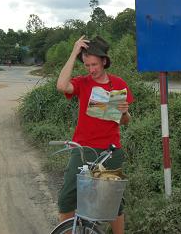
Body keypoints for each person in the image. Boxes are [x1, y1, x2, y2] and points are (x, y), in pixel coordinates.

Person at [56, 35, 133, 234]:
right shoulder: (82, 83)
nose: (91, 69)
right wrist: (74, 52)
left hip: (110, 151)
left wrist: (124, 112)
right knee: (67, 199)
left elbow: (125, 121)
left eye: (95, 64)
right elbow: (62, 86)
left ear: (104, 61)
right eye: (87, 64)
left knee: (113, 201)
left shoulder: (118, 84)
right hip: (82, 149)